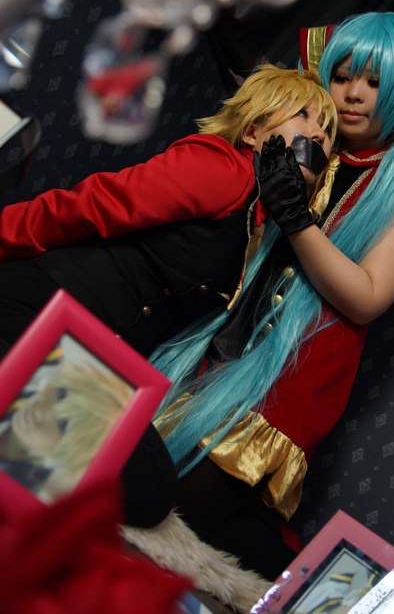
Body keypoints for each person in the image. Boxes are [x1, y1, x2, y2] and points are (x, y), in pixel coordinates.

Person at [151, 12, 394, 580]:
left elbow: (368, 297)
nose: (353, 93)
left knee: (174, 510)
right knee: (151, 504)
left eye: (374, 81)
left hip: (286, 383)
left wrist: (297, 220)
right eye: (342, 76)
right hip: (211, 355)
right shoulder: (307, 141)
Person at [0, 65, 335, 528]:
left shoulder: (260, 234)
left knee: (150, 488)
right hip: (36, 305)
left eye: (327, 133)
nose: (317, 134)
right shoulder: (225, 169)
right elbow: (85, 206)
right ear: (253, 131)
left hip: (85, 349)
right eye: (304, 115)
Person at [0, 358, 133, 503]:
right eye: (62, 394)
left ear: (68, 452)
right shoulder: (14, 377)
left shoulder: (25, 497)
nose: (40, 410)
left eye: (63, 425)